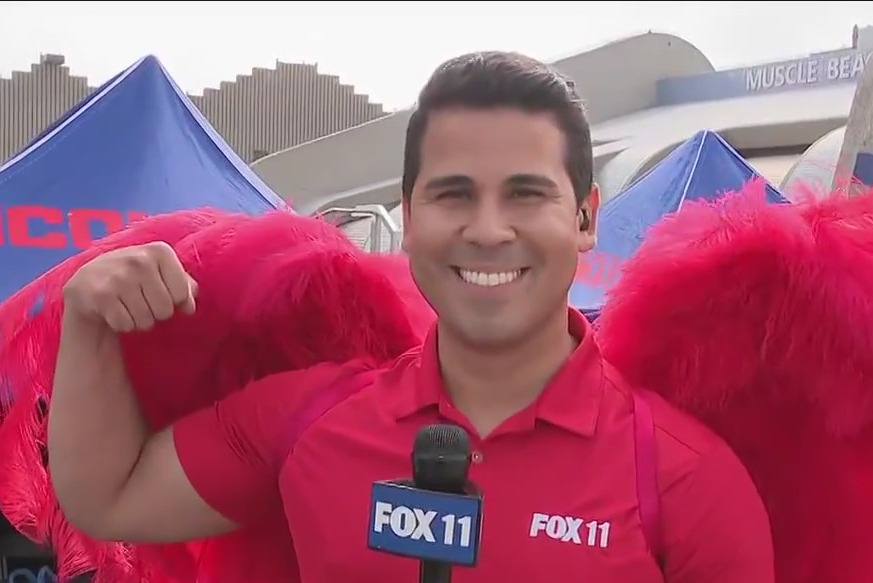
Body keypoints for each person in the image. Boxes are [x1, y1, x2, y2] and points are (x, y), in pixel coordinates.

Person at [47, 52, 774, 582]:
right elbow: (110, 496)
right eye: (453, 194)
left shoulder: (682, 478)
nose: (489, 229)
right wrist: (87, 321)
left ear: (585, 217)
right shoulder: (308, 421)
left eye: (526, 194)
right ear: (409, 216)